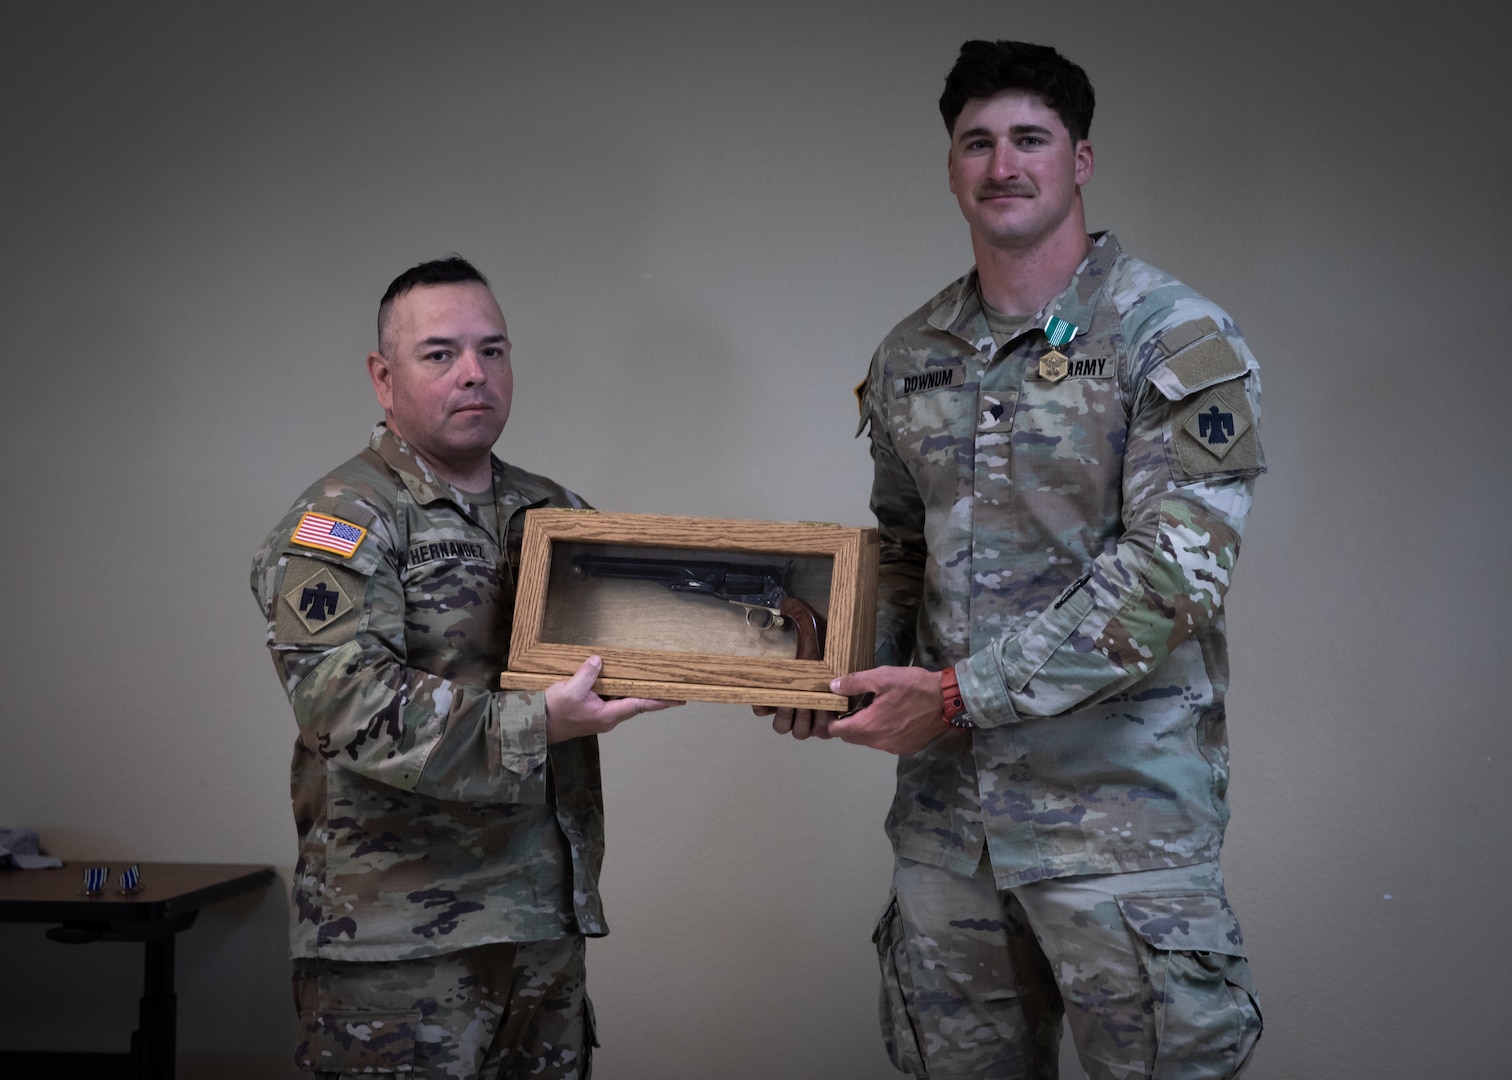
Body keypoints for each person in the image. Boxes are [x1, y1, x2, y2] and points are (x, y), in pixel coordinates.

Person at [813, 41, 1266, 1078]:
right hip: (950, 837)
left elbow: (1171, 578)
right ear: (951, 166)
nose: (1002, 164)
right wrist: (833, 670)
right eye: (977, 142)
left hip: (1118, 832)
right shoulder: (911, 354)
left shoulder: (1174, 338)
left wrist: (958, 694)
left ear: (1081, 159)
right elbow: (899, 550)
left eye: (1029, 138)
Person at [250, 256, 677, 1079]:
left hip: (539, 928)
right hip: (396, 949)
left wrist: (790, 684)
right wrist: (539, 722)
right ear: (384, 377)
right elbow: (345, 705)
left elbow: (640, 650)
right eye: (439, 353)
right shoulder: (339, 522)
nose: (474, 373)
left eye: (494, 350)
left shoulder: (555, 513)